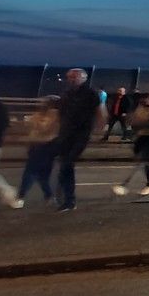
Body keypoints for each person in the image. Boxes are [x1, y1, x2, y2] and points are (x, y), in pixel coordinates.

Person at [54, 69, 105, 212]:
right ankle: (64, 196)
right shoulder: (67, 93)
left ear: (84, 78)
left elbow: (100, 111)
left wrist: (98, 128)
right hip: (65, 134)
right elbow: (60, 113)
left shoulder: (90, 94)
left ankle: (68, 199)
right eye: (69, 77)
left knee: (67, 164)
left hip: (81, 134)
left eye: (74, 77)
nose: (71, 79)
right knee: (65, 165)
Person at [114, 92, 149, 196]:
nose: (147, 100)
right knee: (140, 156)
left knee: (146, 159)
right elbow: (135, 119)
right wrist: (134, 123)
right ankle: (148, 182)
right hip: (141, 134)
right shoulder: (141, 107)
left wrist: (143, 123)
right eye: (146, 98)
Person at [17, 95, 61, 204]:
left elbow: (43, 128)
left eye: (44, 102)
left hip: (45, 145)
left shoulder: (54, 114)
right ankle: (49, 196)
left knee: (30, 172)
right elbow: (33, 129)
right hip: (38, 145)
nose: (41, 104)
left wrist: (36, 119)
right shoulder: (43, 114)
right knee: (42, 175)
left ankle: (21, 196)